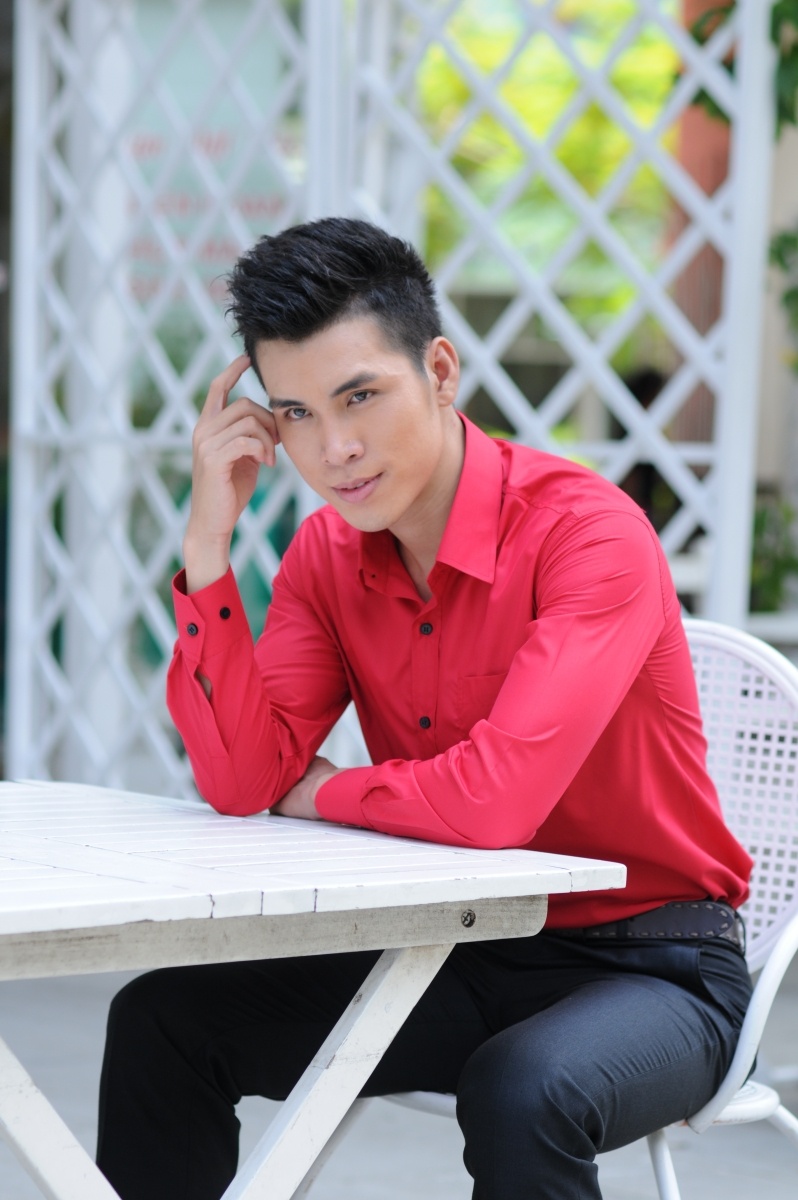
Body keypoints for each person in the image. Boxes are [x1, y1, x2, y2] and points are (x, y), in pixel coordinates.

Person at [96, 217, 753, 1200]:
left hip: (654, 965)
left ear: (439, 371)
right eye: (298, 414)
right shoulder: (326, 558)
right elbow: (242, 779)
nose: (336, 449)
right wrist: (207, 543)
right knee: (163, 1022)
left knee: (523, 1088)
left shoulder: (587, 536)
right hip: (456, 948)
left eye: (360, 396)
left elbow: (494, 804)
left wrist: (323, 793)